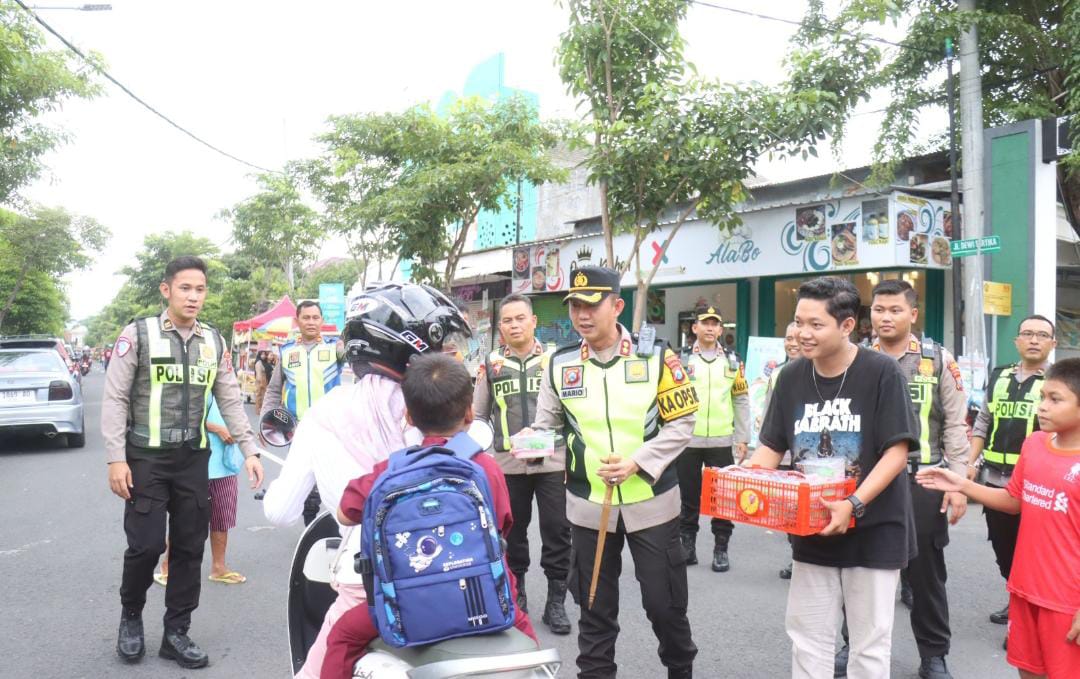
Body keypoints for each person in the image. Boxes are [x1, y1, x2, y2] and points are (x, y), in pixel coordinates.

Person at [262, 282, 472, 679]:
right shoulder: (444, 414)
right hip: (458, 580)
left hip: (372, 587)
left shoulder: (324, 415)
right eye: (443, 346)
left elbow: (279, 511)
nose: (450, 356)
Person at [526, 266, 699, 679]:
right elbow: (546, 425)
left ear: (617, 306)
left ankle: (680, 668)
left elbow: (682, 424)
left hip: (652, 504)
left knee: (664, 604)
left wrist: (638, 461)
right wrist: (528, 442)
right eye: (575, 307)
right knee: (593, 608)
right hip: (588, 508)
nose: (582, 315)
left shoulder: (657, 356)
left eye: (591, 305)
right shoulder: (559, 363)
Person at [321, 354, 538, 679]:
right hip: (487, 599)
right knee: (530, 654)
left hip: (407, 607)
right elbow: (503, 525)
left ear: (408, 415)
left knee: (343, 634)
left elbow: (344, 512)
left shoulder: (388, 472)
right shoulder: (487, 468)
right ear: (468, 412)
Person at [101, 256, 265, 669]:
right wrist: (116, 458)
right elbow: (116, 398)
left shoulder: (215, 341)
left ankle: (177, 632)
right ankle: (131, 617)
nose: (193, 297)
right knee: (147, 544)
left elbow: (229, 396)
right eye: (185, 288)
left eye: (200, 289)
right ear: (166, 290)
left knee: (191, 547)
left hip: (194, 458)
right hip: (146, 459)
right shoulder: (137, 334)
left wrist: (250, 450)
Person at [750, 276, 918, 679]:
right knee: (808, 638)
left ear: (846, 326)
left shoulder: (881, 372)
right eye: (798, 322)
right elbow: (772, 446)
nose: (802, 334)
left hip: (874, 528)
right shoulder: (790, 377)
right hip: (812, 528)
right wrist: (751, 484)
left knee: (869, 645)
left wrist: (853, 503)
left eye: (815, 324)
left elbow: (898, 451)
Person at [830, 279, 969, 679]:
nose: (885, 317)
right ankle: (851, 644)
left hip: (923, 479)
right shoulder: (853, 357)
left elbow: (956, 425)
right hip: (866, 483)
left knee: (925, 573)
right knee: (859, 568)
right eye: (879, 310)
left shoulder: (937, 359)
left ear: (913, 313)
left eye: (894, 310)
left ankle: (933, 654)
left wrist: (957, 483)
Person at [917, 358, 1080, 679]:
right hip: (1024, 589)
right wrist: (962, 483)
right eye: (1042, 396)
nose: (1042, 406)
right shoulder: (1034, 444)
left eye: (1055, 399)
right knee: (1028, 672)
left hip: (1066, 601)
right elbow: (1013, 501)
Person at [472, 293, 572, 634]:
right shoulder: (491, 364)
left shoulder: (556, 361)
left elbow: (571, 414)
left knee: (558, 530)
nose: (515, 325)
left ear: (534, 322)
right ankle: (518, 596)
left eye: (520, 319)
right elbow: (479, 417)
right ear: (501, 327)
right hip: (507, 465)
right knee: (511, 533)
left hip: (552, 461)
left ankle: (556, 602)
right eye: (508, 320)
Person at [965, 315, 1056, 631]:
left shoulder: (1057, 382)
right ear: (1016, 340)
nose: (1034, 340)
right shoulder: (999, 375)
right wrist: (970, 462)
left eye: (1041, 335)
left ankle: (1026, 614)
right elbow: (983, 422)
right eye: (1027, 333)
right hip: (994, 481)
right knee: (1004, 550)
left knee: (1033, 552)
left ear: (1052, 344)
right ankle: (1017, 597)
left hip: (1037, 484)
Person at [676, 306, 749, 572]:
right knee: (688, 498)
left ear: (720, 329)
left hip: (721, 441)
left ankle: (721, 549)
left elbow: (740, 399)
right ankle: (688, 547)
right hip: (688, 441)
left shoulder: (732, 361)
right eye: (704, 323)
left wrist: (742, 437)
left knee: (722, 499)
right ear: (694, 328)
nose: (709, 328)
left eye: (714, 324)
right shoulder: (680, 360)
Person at [261, 300, 345, 525]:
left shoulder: (335, 348)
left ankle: (340, 527)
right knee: (304, 481)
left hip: (330, 428)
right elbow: (273, 390)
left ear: (322, 321)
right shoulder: (287, 352)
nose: (311, 322)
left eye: (315, 317)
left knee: (333, 480)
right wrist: (265, 423)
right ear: (297, 321)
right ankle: (310, 527)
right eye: (305, 318)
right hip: (297, 429)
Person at [154, 397, 248, 587]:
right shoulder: (198, 381)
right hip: (195, 463)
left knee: (222, 518)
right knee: (184, 518)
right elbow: (179, 416)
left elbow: (238, 416)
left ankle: (219, 567)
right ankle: (167, 567)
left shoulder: (228, 388)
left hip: (225, 464)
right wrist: (217, 428)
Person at [765, 321, 801, 581]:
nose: (792, 343)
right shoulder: (778, 374)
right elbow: (769, 415)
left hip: (807, 457)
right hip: (783, 454)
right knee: (790, 512)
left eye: (796, 338)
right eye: (788, 338)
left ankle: (805, 557)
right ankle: (796, 555)